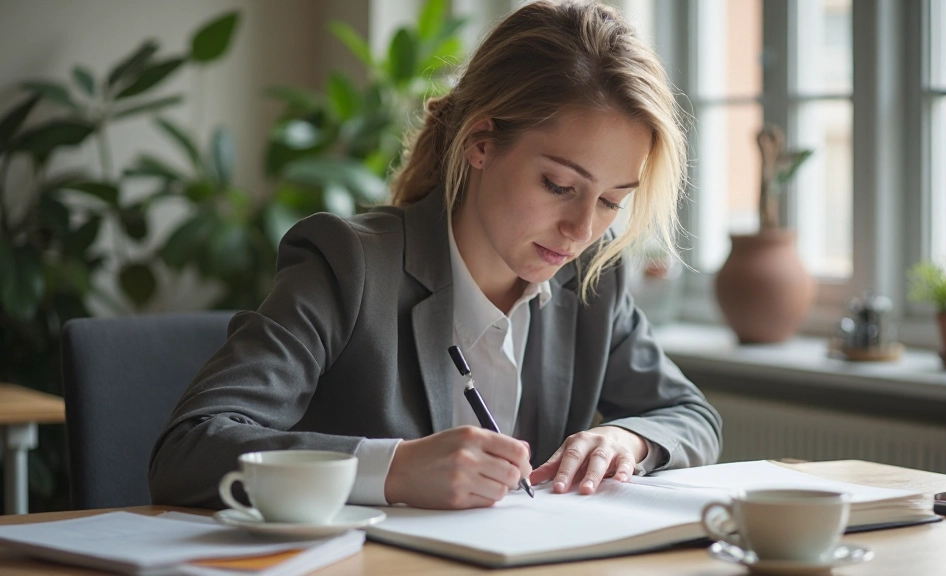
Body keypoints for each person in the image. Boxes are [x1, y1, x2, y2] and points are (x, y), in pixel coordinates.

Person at [149, 0, 721, 511]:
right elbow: (189, 448)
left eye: (611, 201)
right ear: (480, 143)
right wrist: (391, 469)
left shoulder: (594, 283)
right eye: (557, 184)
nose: (581, 230)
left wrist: (630, 441)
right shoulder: (349, 265)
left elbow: (692, 418)